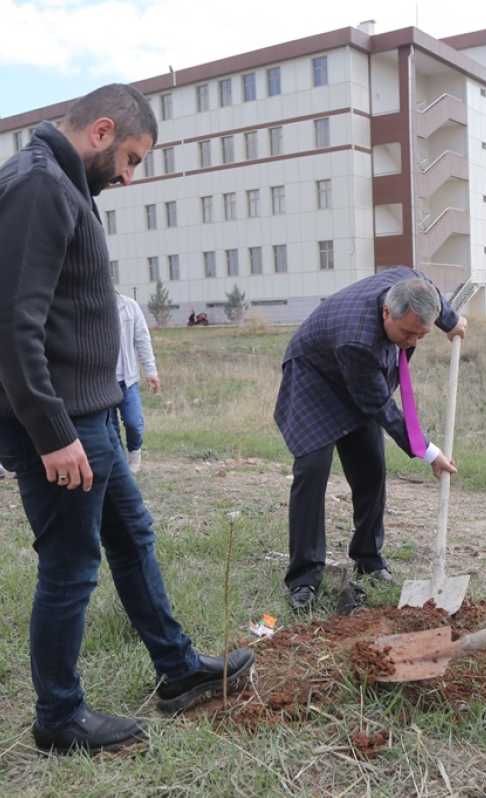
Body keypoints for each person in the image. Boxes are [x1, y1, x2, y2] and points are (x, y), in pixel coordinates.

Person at [0, 83, 254, 755]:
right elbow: (12, 326)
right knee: (71, 565)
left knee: (133, 536)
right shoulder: (38, 187)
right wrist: (52, 434)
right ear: (103, 131)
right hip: (60, 426)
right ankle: (58, 718)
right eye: (132, 159)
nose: (130, 176)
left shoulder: (65, 185)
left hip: (93, 414)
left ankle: (176, 670)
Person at [274, 267, 467, 610]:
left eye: (420, 336)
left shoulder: (411, 283)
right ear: (385, 312)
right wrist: (426, 451)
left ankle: (368, 559)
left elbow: (432, 292)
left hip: (357, 376)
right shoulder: (358, 339)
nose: (412, 343)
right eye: (408, 334)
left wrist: (450, 321)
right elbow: (378, 403)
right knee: (312, 471)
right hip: (314, 380)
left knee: (371, 470)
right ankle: (304, 578)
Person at [114, 291, 160, 474]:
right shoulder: (92, 306)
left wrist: (151, 372)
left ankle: (134, 452)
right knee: (110, 428)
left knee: (133, 422)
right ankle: (118, 464)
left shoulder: (129, 306)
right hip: (102, 381)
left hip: (127, 379)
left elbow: (142, 339)